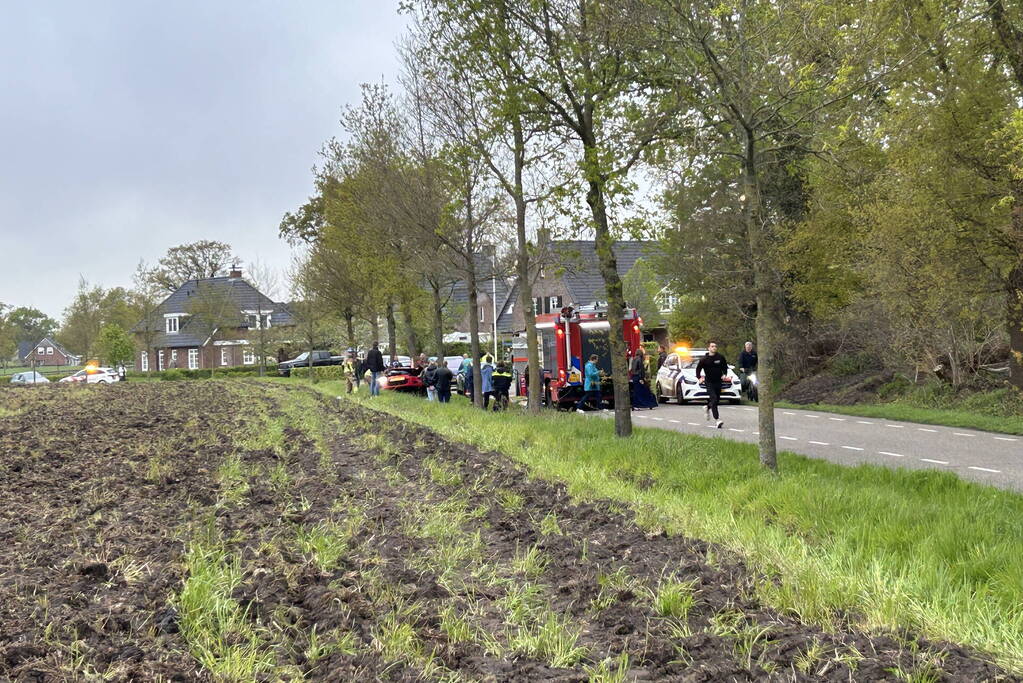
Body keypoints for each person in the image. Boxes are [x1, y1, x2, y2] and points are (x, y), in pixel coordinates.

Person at [696, 342, 728, 428]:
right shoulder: (704, 359)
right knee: (713, 398)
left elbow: (725, 367)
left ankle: (707, 407)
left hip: (718, 381)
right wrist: (699, 378)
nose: (714, 348)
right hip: (709, 382)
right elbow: (698, 369)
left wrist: (724, 374)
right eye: (712, 346)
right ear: (709, 348)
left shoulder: (720, 357)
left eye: (715, 346)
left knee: (716, 400)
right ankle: (717, 420)